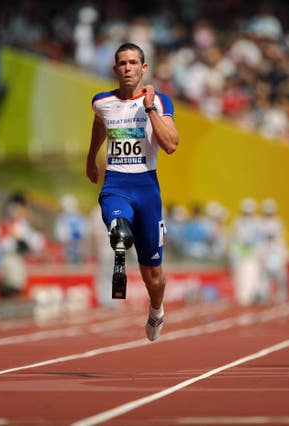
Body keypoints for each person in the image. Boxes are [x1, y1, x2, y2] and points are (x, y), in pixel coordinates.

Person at [85, 42, 179, 341]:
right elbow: (100, 124)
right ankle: (120, 238)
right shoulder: (101, 102)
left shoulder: (160, 101)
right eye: (122, 63)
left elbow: (171, 145)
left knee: (154, 275)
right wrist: (91, 159)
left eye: (133, 63)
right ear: (115, 69)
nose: (127, 68)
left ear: (144, 68)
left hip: (147, 189)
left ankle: (156, 310)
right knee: (119, 227)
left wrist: (149, 108)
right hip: (116, 184)